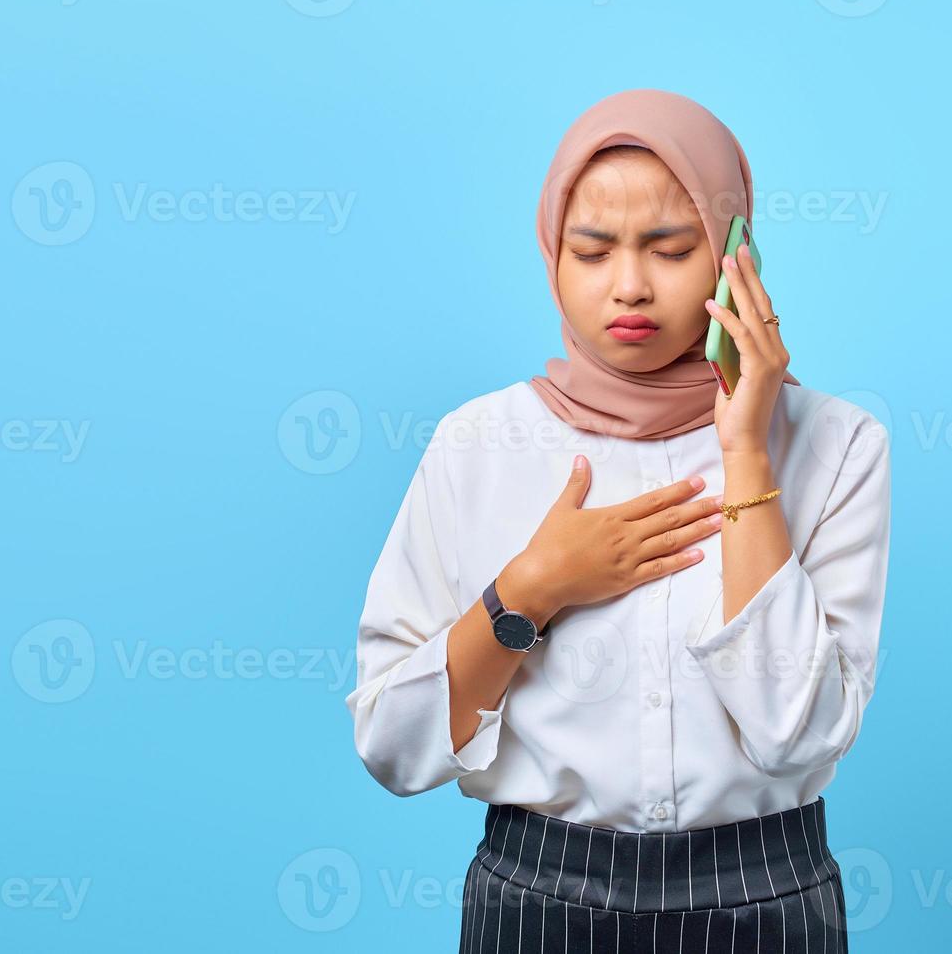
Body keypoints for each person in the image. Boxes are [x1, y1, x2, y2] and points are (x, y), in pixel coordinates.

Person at [345, 88, 891, 952]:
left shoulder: (835, 443)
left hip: (766, 895)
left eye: (671, 250)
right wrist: (531, 589)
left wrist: (746, 452)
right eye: (591, 251)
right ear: (550, 254)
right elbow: (392, 744)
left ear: (732, 253)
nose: (628, 286)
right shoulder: (478, 443)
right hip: (538, 898)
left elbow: (799, 735)